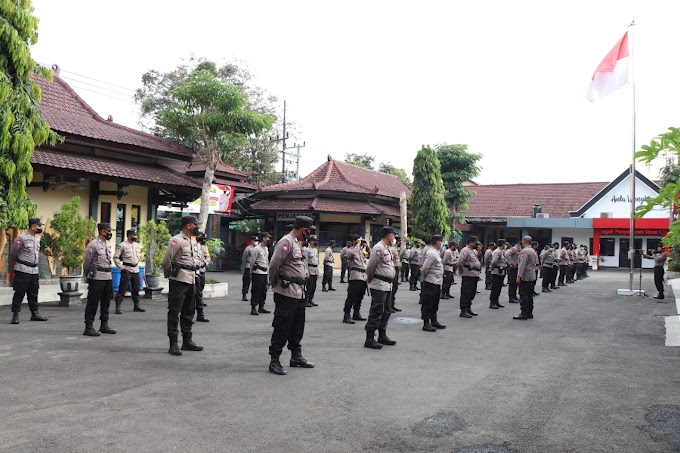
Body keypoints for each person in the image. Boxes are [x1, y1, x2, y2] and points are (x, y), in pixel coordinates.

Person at [267, 216, 316, 375]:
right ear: (304, 230)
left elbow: (297, 265)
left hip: (299, 293)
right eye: (309, 231)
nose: (309, 234)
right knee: (282, 327)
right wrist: (274, 283)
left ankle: (296, 356)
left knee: (297, 327)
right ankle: (274, 360)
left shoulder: (297, 243)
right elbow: (274, 265)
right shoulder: (286, 241)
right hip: (286, 292)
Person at [162, 215, 203, 356]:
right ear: (189, 226)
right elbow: (166, 260)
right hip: (179, 280)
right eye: (195, 224)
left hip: (192, 279)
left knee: (189, 311)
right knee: (174, 312)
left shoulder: (194, 240)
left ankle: (187, 341)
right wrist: (170, 276)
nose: (198, 227)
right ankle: (173, 343)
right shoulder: (176, 240)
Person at [9, 217, 48, 324]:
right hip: (23, 270)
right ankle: (15, 315)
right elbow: (13, 253)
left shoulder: (37, 238)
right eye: (39, 225)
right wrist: (20, 262)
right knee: (19, 293)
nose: (40, 227)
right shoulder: (21, 238)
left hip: (34, 270)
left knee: (33, 293)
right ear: (33, 226)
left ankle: (34, 313)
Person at [364, 227, 397, 349]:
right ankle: (369, 338)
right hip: (379, 284)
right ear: (389, 236)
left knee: (387, 310)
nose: (394, 238)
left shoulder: (387, 248)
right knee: (376, 311)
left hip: (387, 285)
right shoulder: (378, 248)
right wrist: (370, 278)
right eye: (394, 235)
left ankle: (382, 335)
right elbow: (371, 266)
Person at [83, 223, 117, 336]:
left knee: (106, 302)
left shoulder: (108, 244)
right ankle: (88, 327)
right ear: (103, 232)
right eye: (109, 231)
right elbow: (87, 262)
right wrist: (87, 276)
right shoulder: (93, 245)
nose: (110, 233)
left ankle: (104, 325)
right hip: (97, 277)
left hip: (108, 277)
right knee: (93, 302)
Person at [113, 229, 144, 314]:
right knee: (122, 288)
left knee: (136, 288)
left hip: (136, 269)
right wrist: (121, 268)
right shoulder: (122, 245)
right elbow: (115, 257)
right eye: (134, 235)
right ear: (129, 236)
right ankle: (118, 306)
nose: (135, 237)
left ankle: (136, 306)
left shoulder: (137, 245)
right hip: (127, 269)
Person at [421, 235, 446, 332]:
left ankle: (434, 320)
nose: (442, 243)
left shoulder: (436, 252)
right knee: (428, 303)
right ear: (437, 242)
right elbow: (424, 269)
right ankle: (426, 323)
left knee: (435, 302)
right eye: (441, 241)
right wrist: (424, 280)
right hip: (430, 281)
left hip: (437, 282)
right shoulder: (431, 253)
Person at [343, 234, 368, 324]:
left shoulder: (361, 251)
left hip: (363, 276)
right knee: (351, 296)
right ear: (354, 241)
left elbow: (369, 255)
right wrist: (357, 244)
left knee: (360, 296)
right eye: (358, 241)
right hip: (355, 276)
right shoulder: (349, 250)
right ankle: (346, 315)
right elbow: (352, 254)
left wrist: (366, 246)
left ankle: (356, 313)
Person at [514, 235, 538, 320]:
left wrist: (519, 276)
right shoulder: (533, 251)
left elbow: (522, 265)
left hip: (525, 276)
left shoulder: (525, 251)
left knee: (523, 295)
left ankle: (523, 313)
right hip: (532, 275)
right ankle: (529, 312)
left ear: (524, 241)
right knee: (529, 295)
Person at [457, 236, 482, 318]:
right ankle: (463, 310)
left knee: (472, 292)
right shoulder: (465, 250)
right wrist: (461, 271)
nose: (476, 244)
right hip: (468, 275)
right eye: (475, 242)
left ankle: (468, 308)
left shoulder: (472, 251)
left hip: (474, 275)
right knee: (466, 293)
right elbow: (460, 262)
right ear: (471, 242)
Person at [249, 232, 272, 315]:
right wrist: (251, 272)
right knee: (256, 290)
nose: (269, 239)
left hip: (265, 272)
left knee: (264, 290)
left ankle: (261, 307)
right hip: (258, 272)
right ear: (264, 238)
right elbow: (252, 261)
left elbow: (267, 261)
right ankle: (253, 307)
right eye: (268, 238)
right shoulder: (256, 249)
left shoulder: (266, 248)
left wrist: (269, 272)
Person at [194, 233, 210, 322]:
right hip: (191, 272)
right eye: (202, 238)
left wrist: (204, 263)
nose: (204, 240)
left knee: (199, 291)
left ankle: (200, 314)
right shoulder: (193, 245)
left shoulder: (204, 247)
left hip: (201, 271)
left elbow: (208, 257)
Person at [489, 239, 508, 309]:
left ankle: (496, 301)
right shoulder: (497, 252)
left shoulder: (502, 251)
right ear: (502, 244)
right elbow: (494, 262)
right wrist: (491, 269)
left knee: (499, 288)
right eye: (504, 244)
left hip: (501, 272)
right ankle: (492, 302)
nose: (505, 245)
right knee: (495, 288)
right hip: (496, 272)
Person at [304, 236, 320, 307]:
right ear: (310, 242)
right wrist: (306, 271)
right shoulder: (307, 250)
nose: (315, 242)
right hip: (310, 269)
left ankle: (311, 299)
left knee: (313, 286)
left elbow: (317, 261)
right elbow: (305, 261)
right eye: (314, 241)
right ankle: (306, 300)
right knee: (309, 286)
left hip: (315, 269)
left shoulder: (315, 250)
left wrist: (318, 271)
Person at [241, 236, 257, 301]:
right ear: (251, 241)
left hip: (255, 267)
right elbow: (244, 258)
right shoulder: (248, 249)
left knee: (255, 282)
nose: (256, 242)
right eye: (254, 240)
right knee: (246, 281)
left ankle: (254, 296)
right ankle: (244, 294)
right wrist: (243, 268)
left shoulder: (257, 248)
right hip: (248, 266)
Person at [390, 236, 403, 312]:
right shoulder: (392, 249)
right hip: (393, 269)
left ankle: (392, 305)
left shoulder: (396, 249)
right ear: (397, 242)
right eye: (400, 241)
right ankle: (389, 306)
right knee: (392, 288)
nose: (400, 243)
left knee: (395, 288)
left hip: (396, 269)